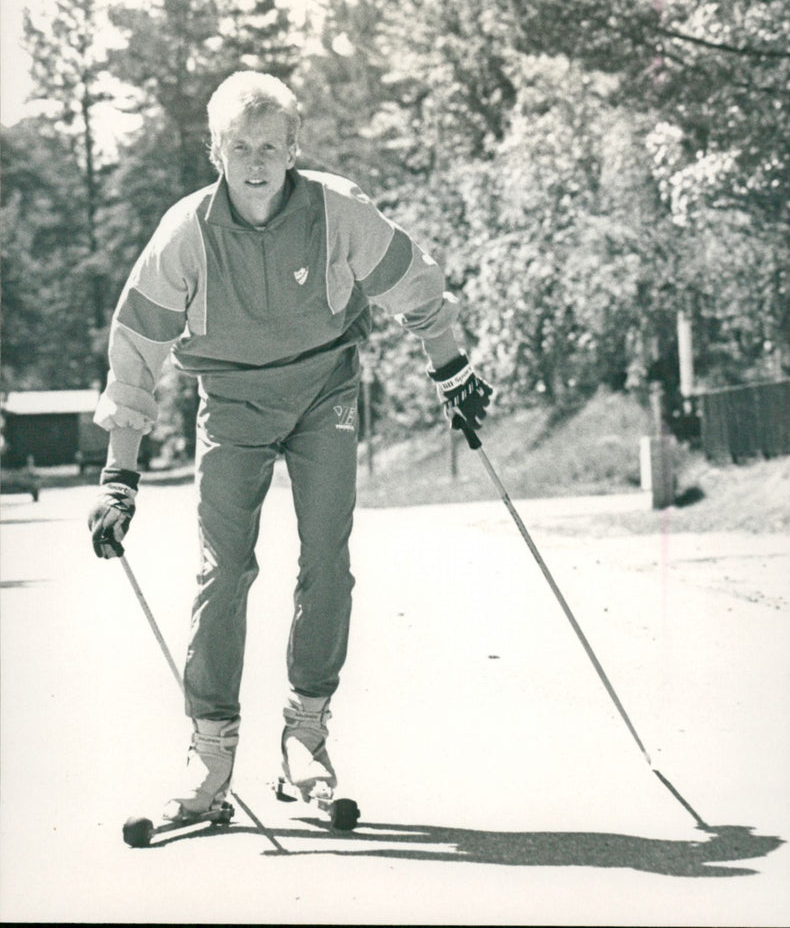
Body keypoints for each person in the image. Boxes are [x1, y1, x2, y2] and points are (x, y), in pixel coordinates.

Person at [88, 70, 492, 821]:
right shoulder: (187, 232)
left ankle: (305, 734)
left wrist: (452, 366)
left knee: (326, 558)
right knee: (225, 565)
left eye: (270, 145)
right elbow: (135, 349)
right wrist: (120, 475)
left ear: (294, 149)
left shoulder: (337, 210)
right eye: (239, 145)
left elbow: (415, 283)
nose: (255, 161)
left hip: (323, 394)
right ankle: (210, 752)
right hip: (232, 403)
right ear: (216, 149)